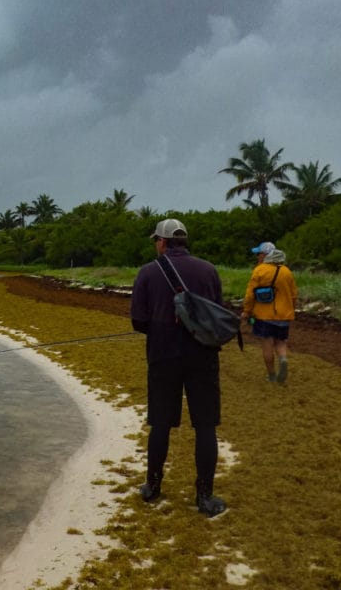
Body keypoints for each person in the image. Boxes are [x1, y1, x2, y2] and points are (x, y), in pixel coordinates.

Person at [130, 218, 227, 517]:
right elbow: (217, 315)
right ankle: (205, 497)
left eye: (155, 241)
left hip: (162, 356)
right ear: (183, 241)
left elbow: (138, 321)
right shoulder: (209, 270)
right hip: (203, 355)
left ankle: (153, 487)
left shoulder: (147, 272)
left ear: (161, 241)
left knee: (160, 422)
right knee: (205, 425)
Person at [241, 241, 299, 384]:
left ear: (266, 254)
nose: (257, 257)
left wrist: (246, 312)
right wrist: (291, 311)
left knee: (267, 344)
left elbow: (250, 295)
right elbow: (294, 295)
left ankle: (272, 375)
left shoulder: (259, 270)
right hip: (284, 316)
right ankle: (283, 359)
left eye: (259, 253)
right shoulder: (287, 271)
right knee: (280, 342)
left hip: (263, 316)